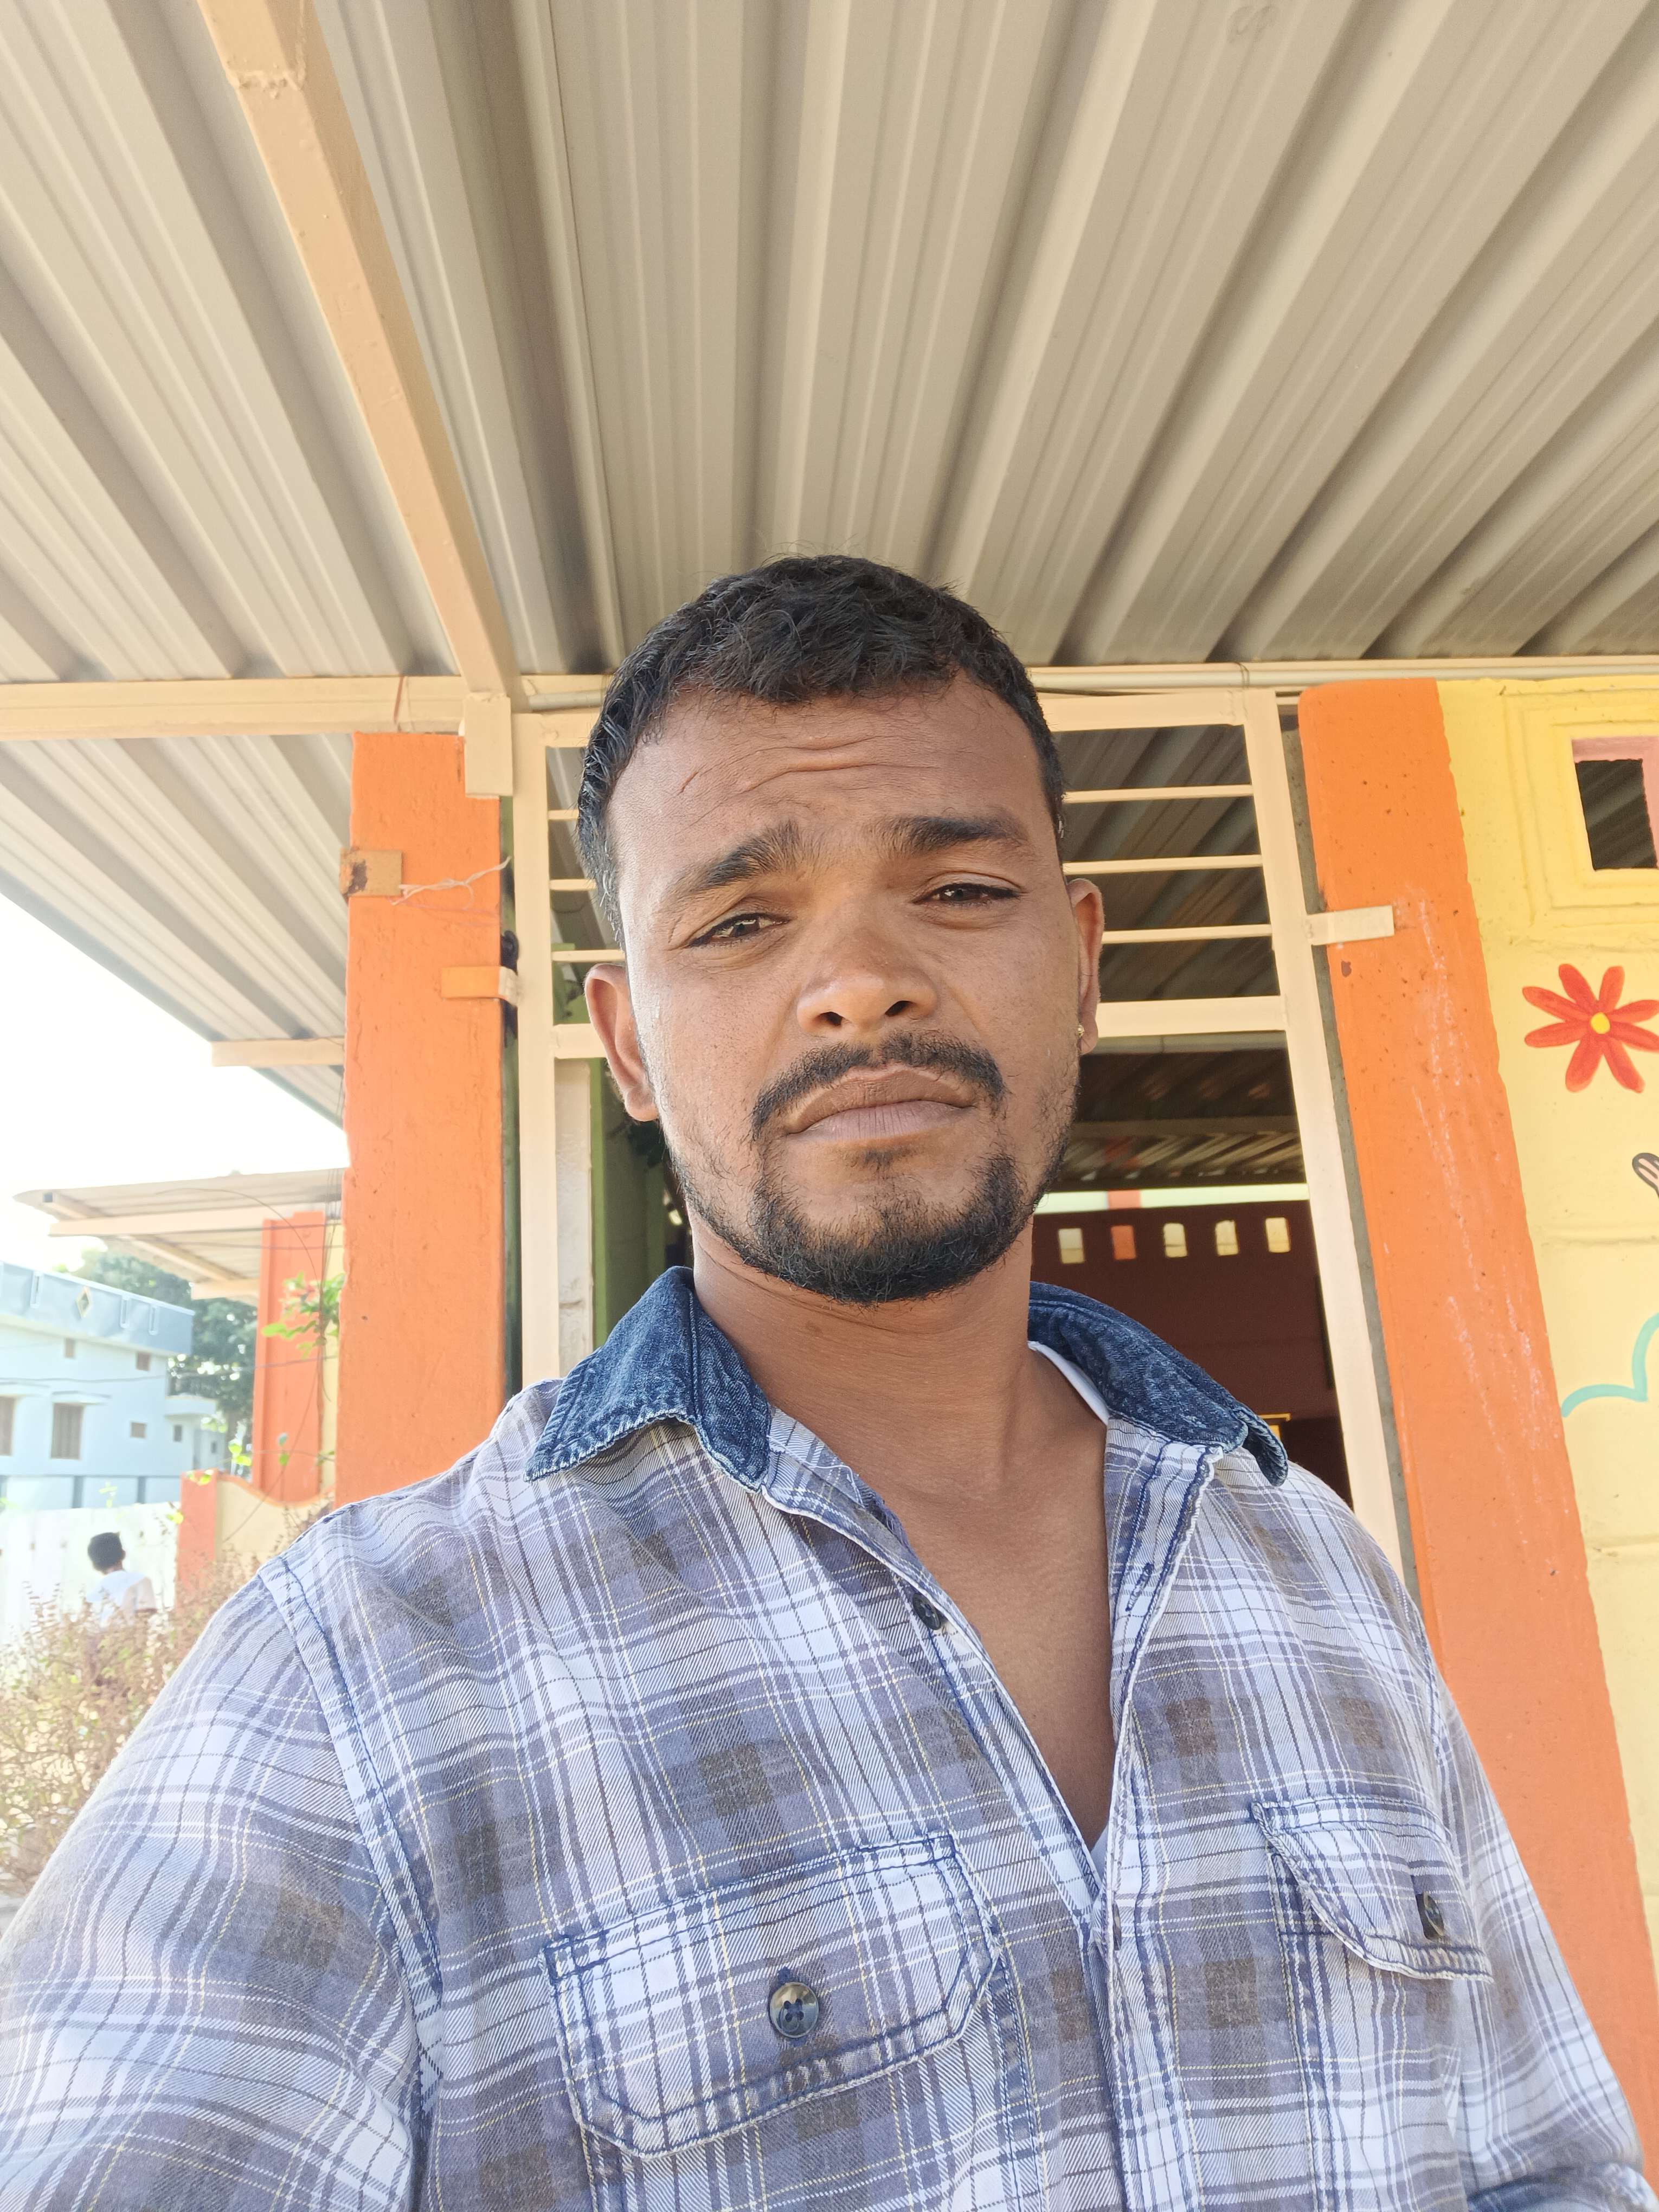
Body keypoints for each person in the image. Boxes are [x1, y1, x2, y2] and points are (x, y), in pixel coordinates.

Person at [0, 557, 1649, 2210]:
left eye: (959, 890)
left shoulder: (1317, 1573)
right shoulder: (366, 1665)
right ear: (627, 1044)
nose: (864, 981)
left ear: (1084, 967)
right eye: (738, 922)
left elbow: (1547, 2168)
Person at [83, 1531, 156, 1626]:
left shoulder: (90, 1597)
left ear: (95, 1565)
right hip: (133, 1635)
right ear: (123, 1554)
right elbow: (146, 1619)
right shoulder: (142, 1581)